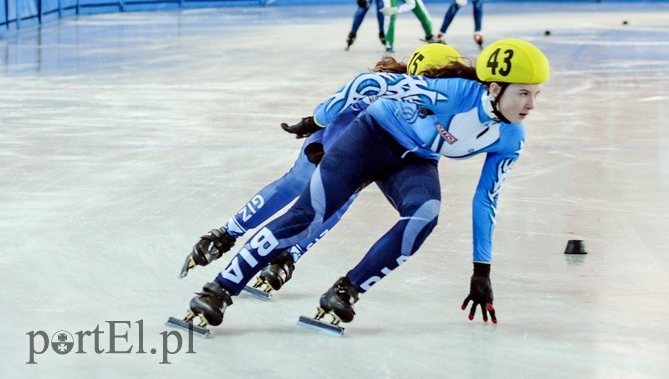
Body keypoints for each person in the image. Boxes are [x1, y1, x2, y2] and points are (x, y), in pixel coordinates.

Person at [183, 38, 549, 329]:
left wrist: (481, 269)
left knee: (425, 214)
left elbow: (486, 199)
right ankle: (220, 289)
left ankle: (346, 290)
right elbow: (367, 83)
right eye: (523, 93)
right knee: (308, 215)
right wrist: (318, 119)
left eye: (537, 93)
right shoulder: (451, 93)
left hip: (414, 159)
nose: (531, 104)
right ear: (495, 88)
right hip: (373, 136)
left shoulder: (511, 138)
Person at [180, 43, 465, 297]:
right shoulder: (389, 91)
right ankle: (228, 232)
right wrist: (326, 147)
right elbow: (343, 114)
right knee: (299, 181)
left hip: (382, 154)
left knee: (340, 200)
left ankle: (291, 254)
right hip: (334, 138)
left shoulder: (454, 104)